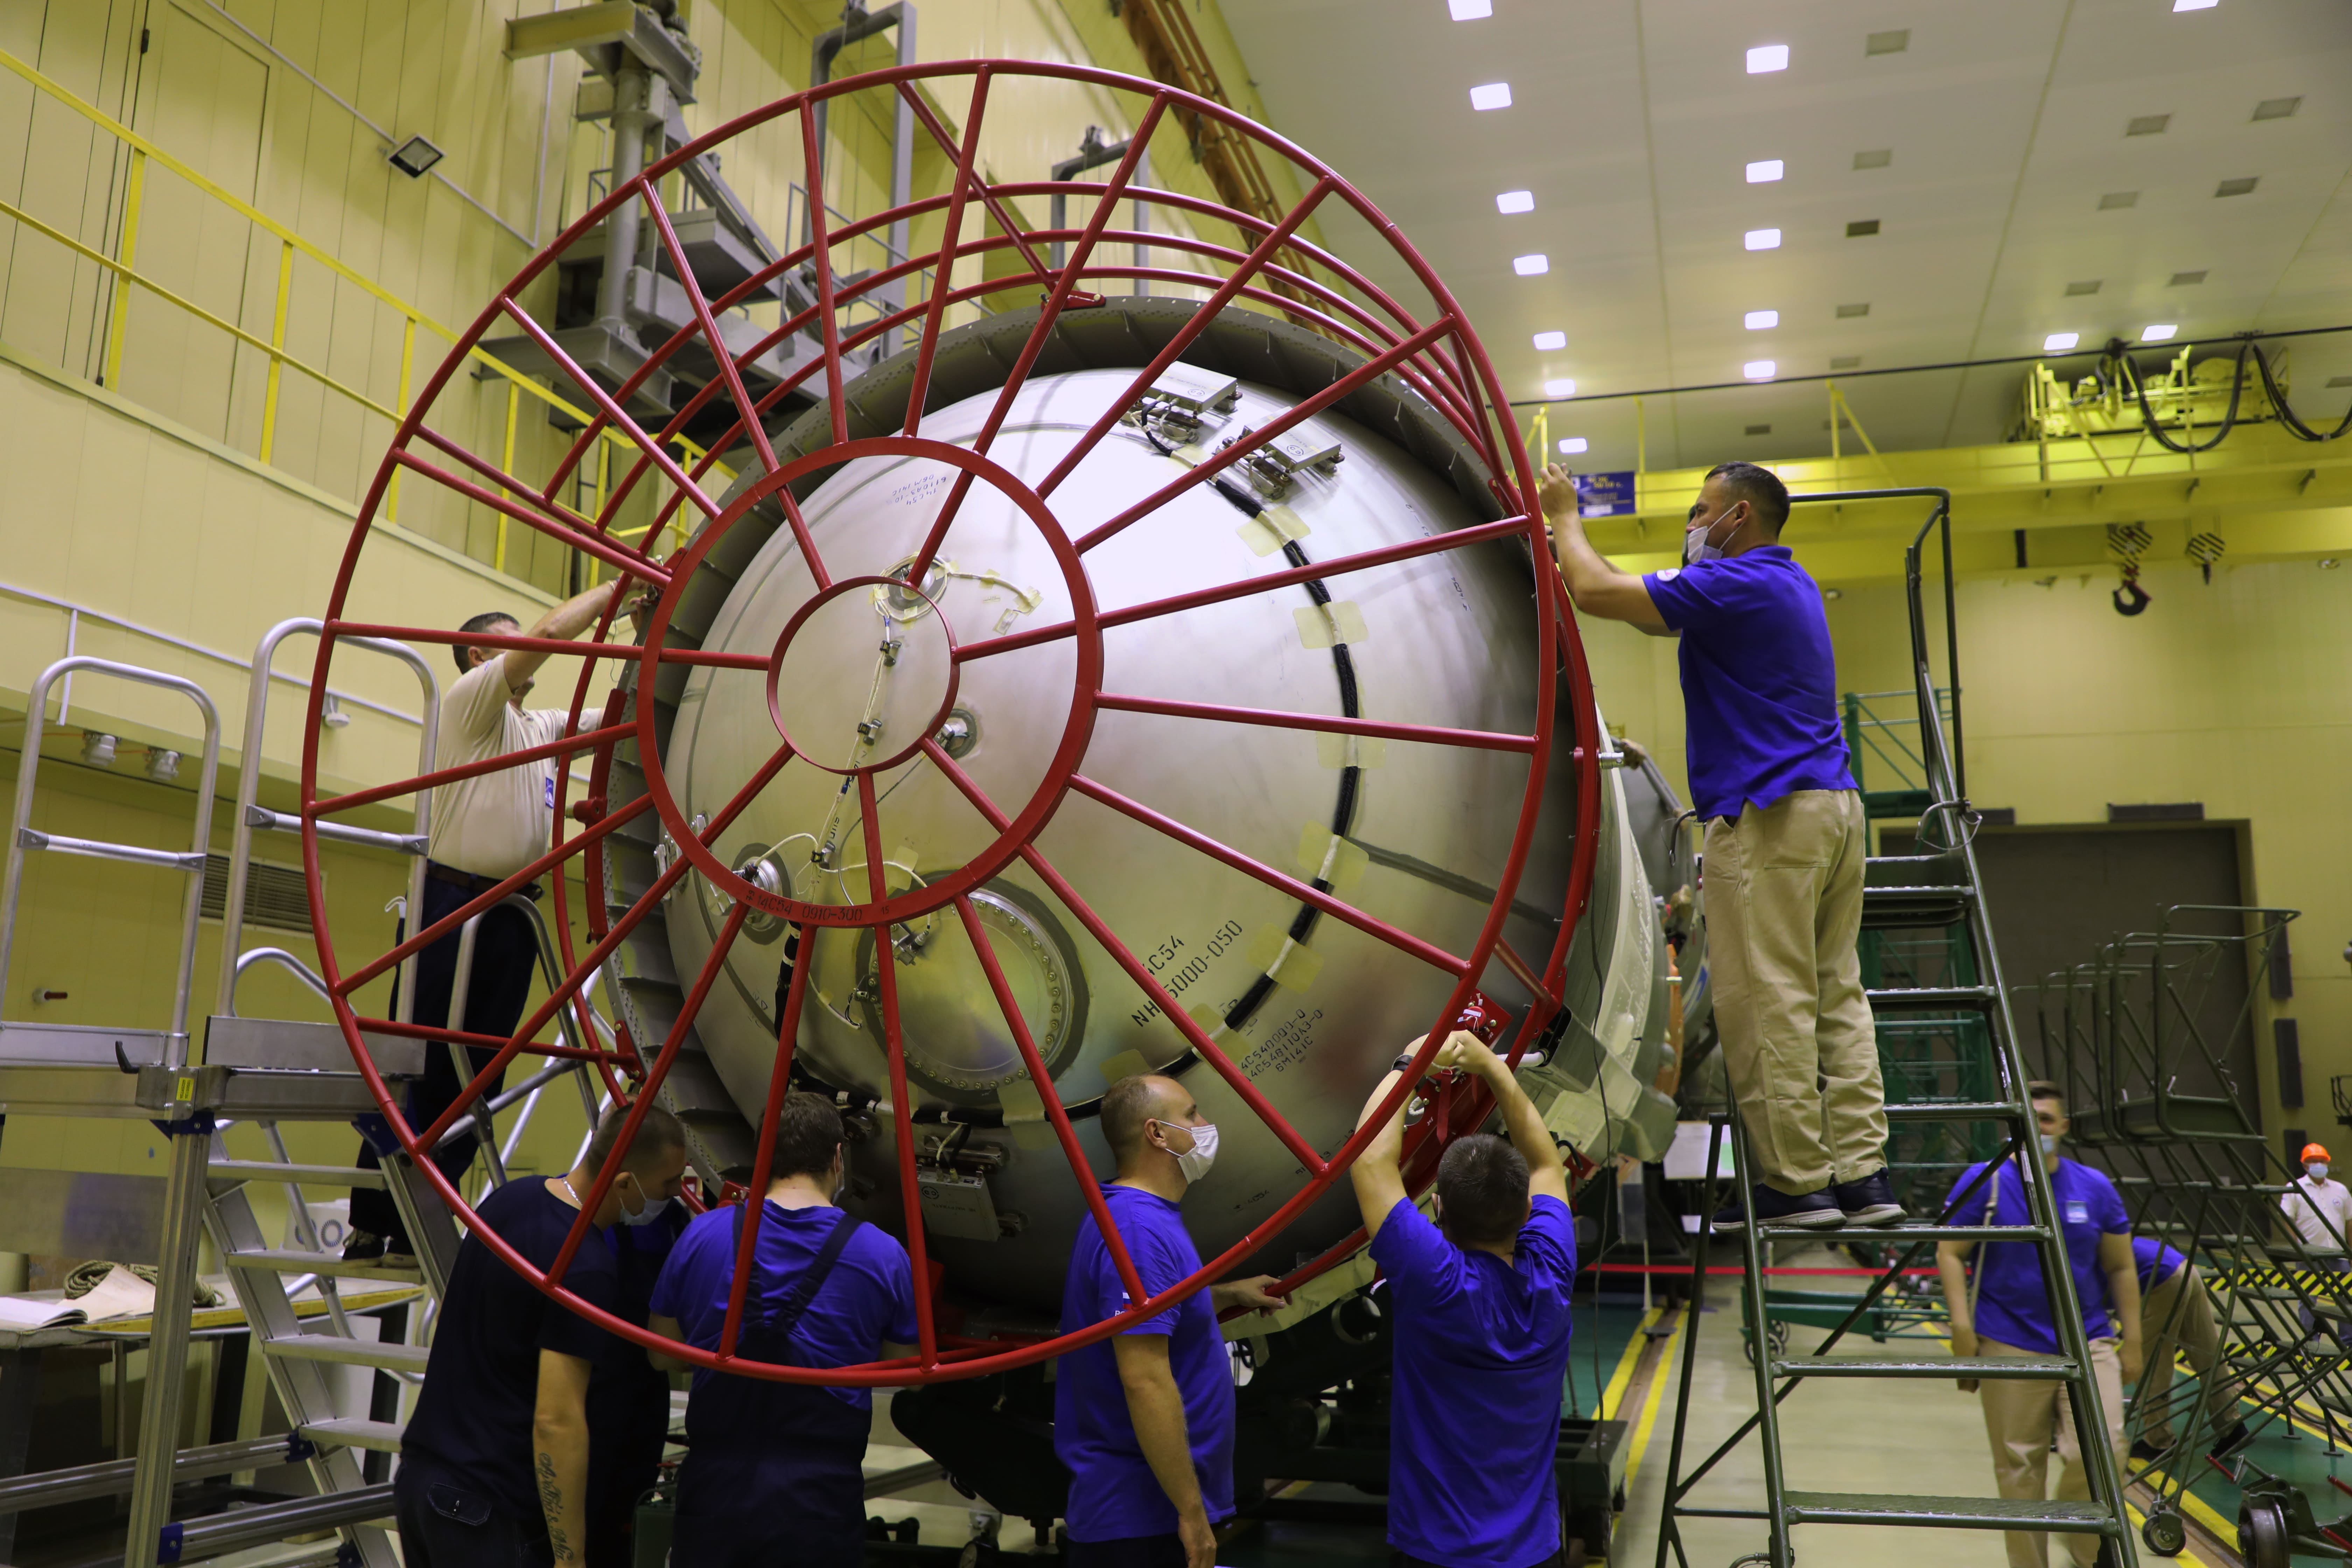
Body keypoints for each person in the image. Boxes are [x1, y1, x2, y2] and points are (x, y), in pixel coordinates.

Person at [1542, 460, 1895, 1232]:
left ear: (1740, 516)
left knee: (1766, 998)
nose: (1693, 525)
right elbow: (1646, 614)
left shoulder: (1739, 584)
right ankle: (1864, 1175)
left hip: (1771, 816)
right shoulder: (1789, 583)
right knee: (1836, 993)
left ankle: (1796, 1184)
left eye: (1701, 511)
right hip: (1833, 810)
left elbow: (1596, 592)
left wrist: (1564, 515)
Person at [349, 580, 648, 1265]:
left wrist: (650, 635)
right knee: (415, 1066)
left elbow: (620, 718)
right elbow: (550, 635)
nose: (529, 648)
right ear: (481, 655)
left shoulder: (536, 728)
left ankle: (424, 1218)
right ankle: (372, 1222)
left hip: (512, 914)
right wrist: (612, 591)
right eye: (512, 640)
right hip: (449, 905)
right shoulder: (469, 703)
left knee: (479, 1074)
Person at [394, 1101, 691, 1566]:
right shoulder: (585, 1266)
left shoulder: (509, 1200)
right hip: (487, 1509)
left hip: (422, 1481)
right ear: (624, 1184)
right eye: (668, 1184)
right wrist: (570, 1558)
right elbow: (557, 1419)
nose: (676, 1194)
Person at [646, 1092, 919, 1568]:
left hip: (715, 1496)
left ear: (762, 1157)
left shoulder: (701, 1236)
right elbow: (904, 1369)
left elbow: (662, 1354)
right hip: (819, 1502)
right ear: (838, 1158)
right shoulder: (883, 1255)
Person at [1348, 1029, 1577, 1568]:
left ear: (1438, 1211)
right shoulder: (1551, 1270)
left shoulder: (1436, 1281)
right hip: (1533, 1553)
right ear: (1528, 1212)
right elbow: (1547, 1166)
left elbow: (1370, 1162)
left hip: (1437, 1552)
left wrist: (1413, 1060)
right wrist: (1492, 1068)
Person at [1056, 1075, 1285, 1568]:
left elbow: (1155, 1310)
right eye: (1192, 1114)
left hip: (1147, 1511)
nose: (1205, 1125)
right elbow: (1144, 1379)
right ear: (1157, 1134)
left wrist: (1222, 1295)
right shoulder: (1138, 1231)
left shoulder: (1141, 1215)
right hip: (1141, 1516)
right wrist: (1191, 1512)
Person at [1935, 1083, 2140, 1568]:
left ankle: (2085, 1549)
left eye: (2046, 1118)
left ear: (2063, 1126)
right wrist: (1961, 1329)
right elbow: (1949, 1250)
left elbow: (2121, 1266)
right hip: (2008, 1340)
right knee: (2019, 1468)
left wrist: (2133, 1339)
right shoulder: (1985, 1181)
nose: (2037, 1127)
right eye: (2027, 1117)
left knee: (2104, 1448)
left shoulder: (2095, 1187)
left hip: (2087, 1339)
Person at [586, 1170, 690, 1568]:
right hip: (590, 1385)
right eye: (668, 1179)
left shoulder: (673, 1218)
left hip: (646, 1388)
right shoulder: (571, 1213)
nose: (677, 1189)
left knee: (630, 1519)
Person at [2127, 1237, 2246, 1462]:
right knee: (2207, 1351)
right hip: (2184, 1267)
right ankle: (2231, 1426)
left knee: (2152, 1359)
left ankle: (2159, 1440)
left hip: (2161, 1279)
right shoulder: (2089, 1235)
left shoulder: (2074, 1261)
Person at [2278, 1141, 2352, 1344]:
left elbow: (2349, 1222)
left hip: (2338, 1255)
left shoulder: (2340, 1189)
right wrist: (2297, 1249)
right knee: (2309, 1301)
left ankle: (2348, 1344)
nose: (2318, 1164)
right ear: (2305, 1165)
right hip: (2309, 1257)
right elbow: (2287, 1220)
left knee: (2346, 1300)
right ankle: (2311, 1343)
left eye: (2321, 1161)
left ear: (2327, 1163)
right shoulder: (2295, 1189)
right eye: (2313, 1161)